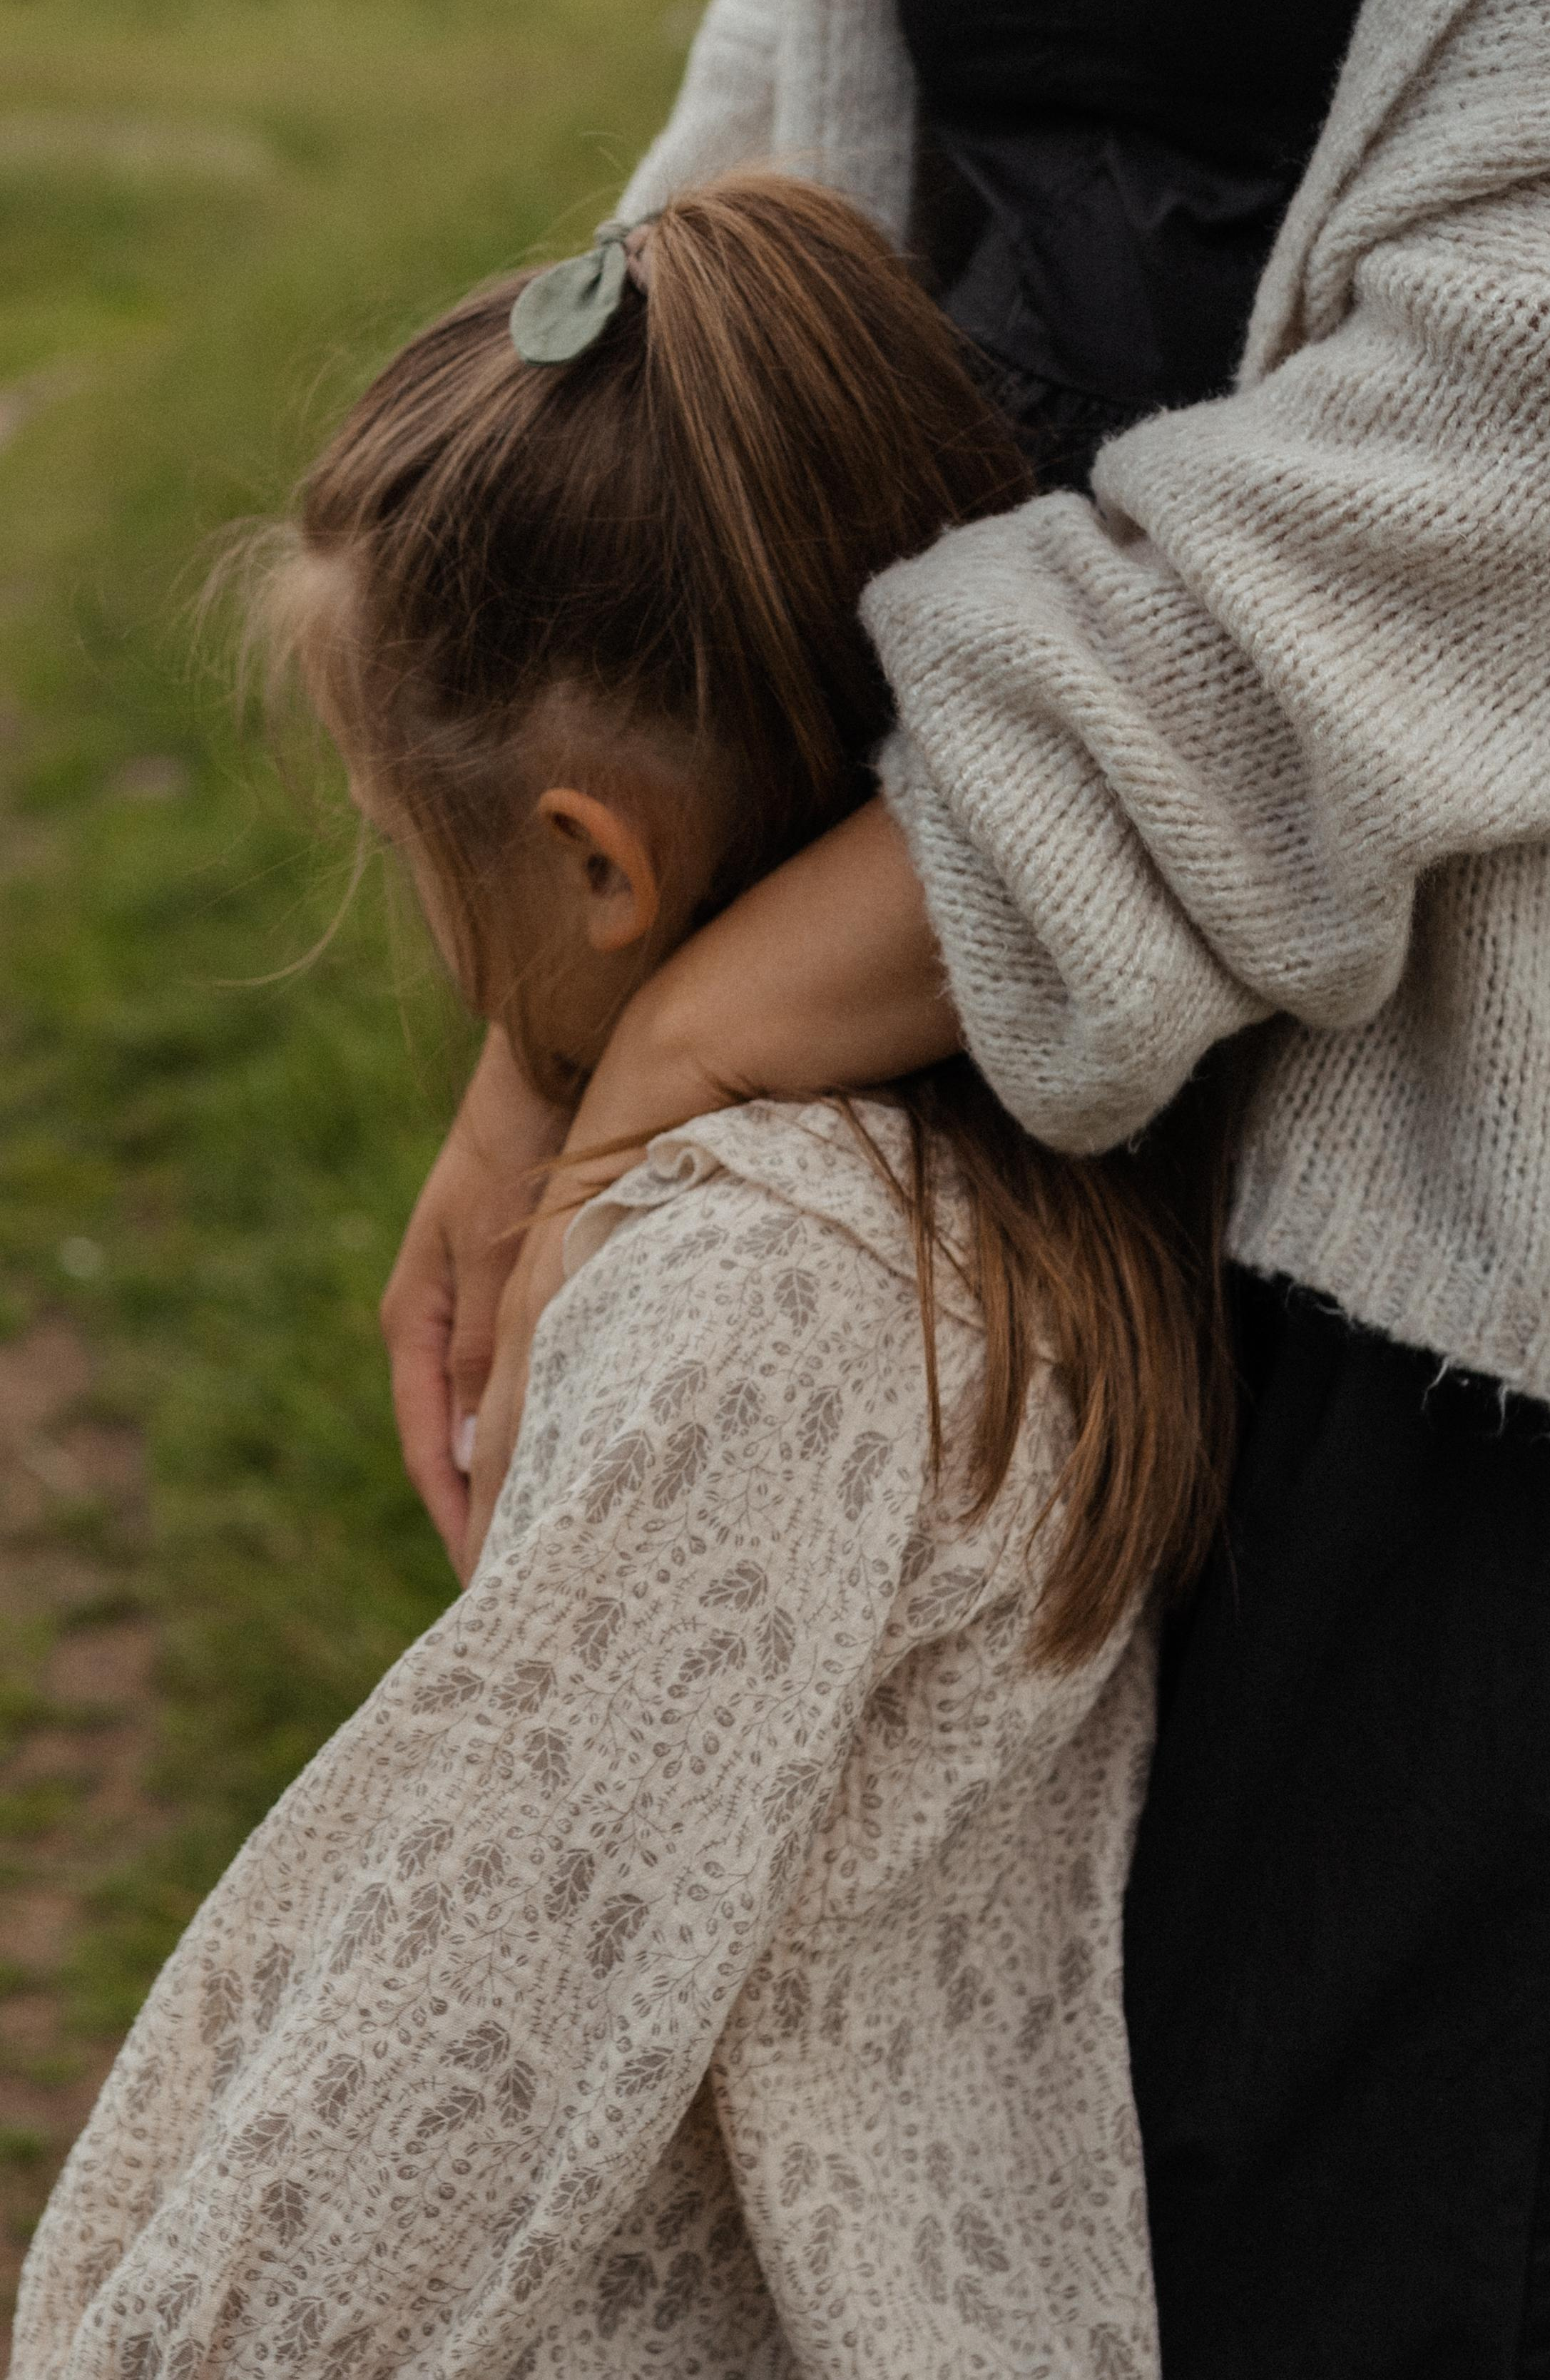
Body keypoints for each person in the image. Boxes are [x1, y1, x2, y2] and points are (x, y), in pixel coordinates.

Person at [397, 0, 1550, 2370]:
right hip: (944, 1168)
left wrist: (686, 1036)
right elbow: (752, 218)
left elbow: (1521, 461)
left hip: (1447, 1315)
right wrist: (542, 1033)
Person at [14, 175, 1240, 2379]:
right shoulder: (1002, 1188)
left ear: (595, 861)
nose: (415, 918)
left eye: (408, 846)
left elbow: (458, 2032)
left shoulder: (755, 1287)